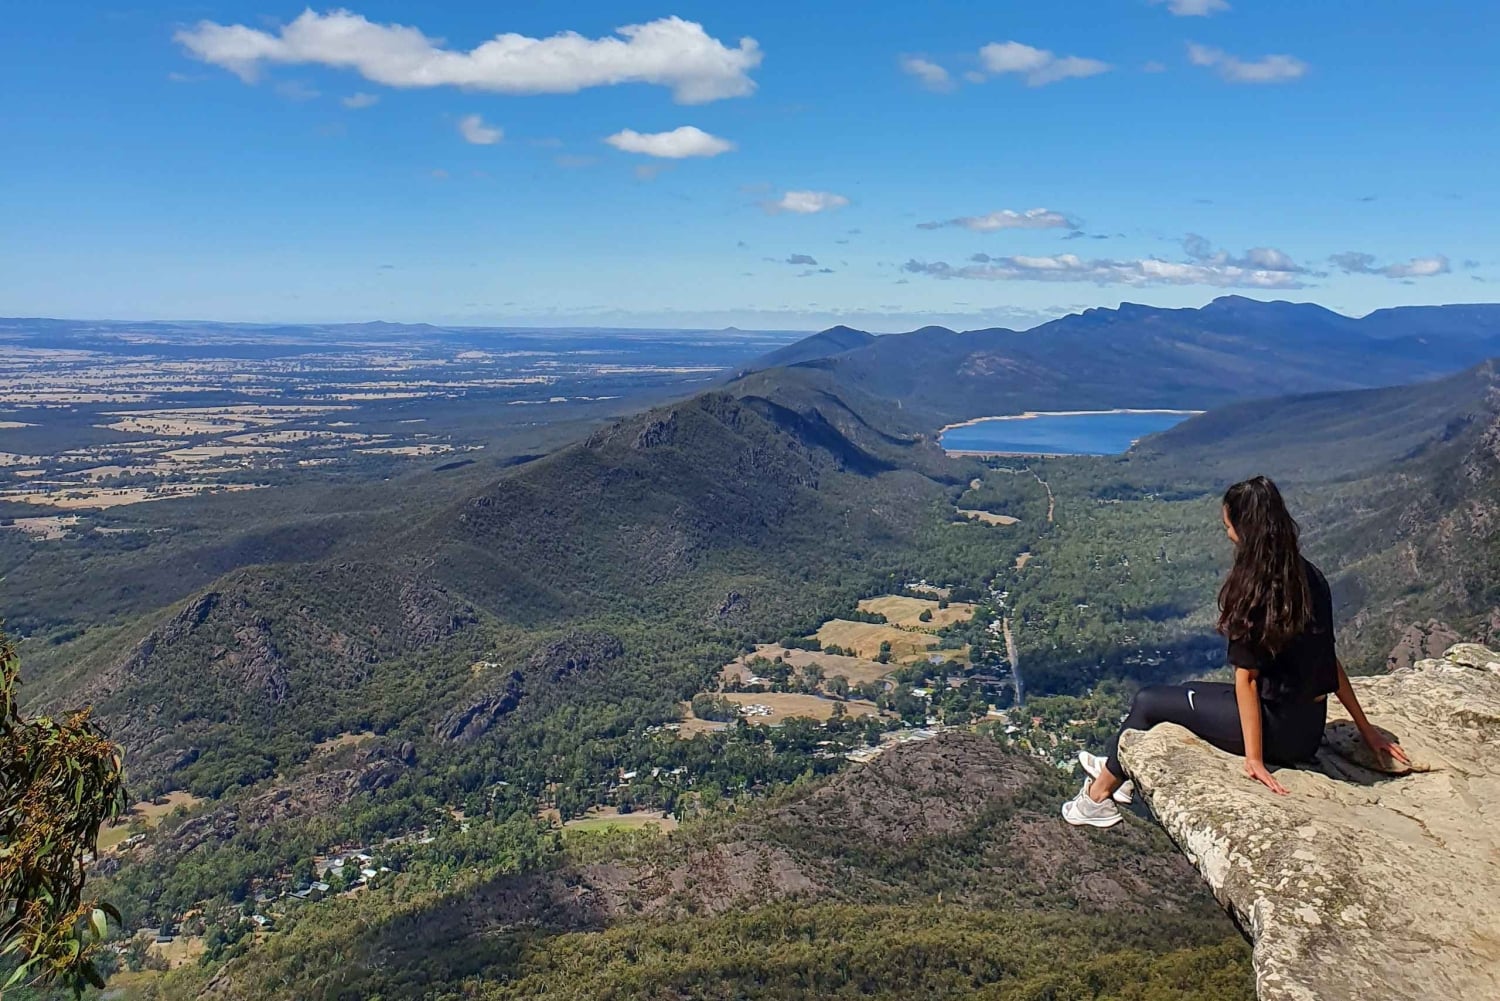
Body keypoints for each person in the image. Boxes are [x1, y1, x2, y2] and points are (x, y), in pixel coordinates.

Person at [1062, 475, 1410, 828]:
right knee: (1183, 693)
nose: (1227, 534)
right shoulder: (1309, 577)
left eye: (1228, 526)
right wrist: (1367, 730)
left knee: (1149, 702)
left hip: (1279, 734)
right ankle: (1116, 767)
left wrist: (1254, 760)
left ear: (1246, 531)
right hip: (1307, 727)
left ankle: (1098, 797)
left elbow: (1246, 679)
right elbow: (1329, 662)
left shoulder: (1255, 592)